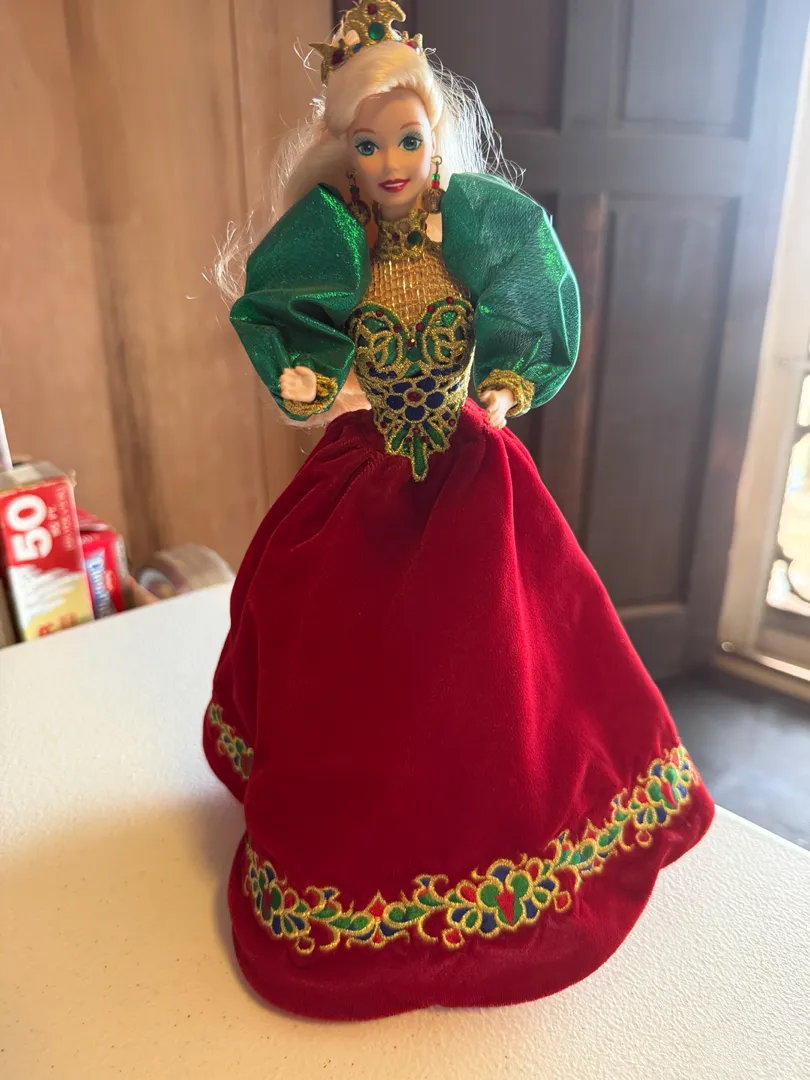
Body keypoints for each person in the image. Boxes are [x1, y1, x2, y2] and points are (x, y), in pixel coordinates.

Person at [203, 0, 714, 1021]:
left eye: (406, 139)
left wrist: (507, 386)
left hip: (470, 471)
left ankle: (494, 824)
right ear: (344, 155)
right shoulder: (335, 239)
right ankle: (359, 830)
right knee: (337, 646)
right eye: (367, 145)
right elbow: (289, 326)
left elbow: (531, 304)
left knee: (501, 659)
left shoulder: (475, 226)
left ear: (434, 136)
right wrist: (311, 379)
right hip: (362, 472)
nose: (390, 162)